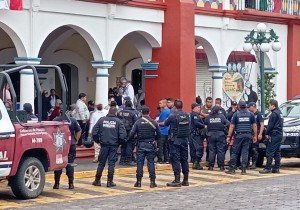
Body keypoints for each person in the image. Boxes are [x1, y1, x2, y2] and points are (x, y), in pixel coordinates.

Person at [92, 107, 127, 187]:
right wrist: (119, 143)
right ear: (116, 113)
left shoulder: (101, 120)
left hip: (104, 145)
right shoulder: (119, 122)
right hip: (114, 145)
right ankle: (109, 181)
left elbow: (94, 132)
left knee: (101, 163)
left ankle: (97, 180)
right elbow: (123, 135)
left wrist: (98, 141)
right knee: (111, 163)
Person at [128, 106, 161, 188]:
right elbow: (159, 135)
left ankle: (138, 182)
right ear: (149, 112)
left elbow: (131, 134)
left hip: (141, 144)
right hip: (150, 144)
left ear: (141, 113)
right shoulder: (154, 122)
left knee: (140, 163)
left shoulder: (138, 122)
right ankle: (152, 182)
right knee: (151, 163)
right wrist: (154, 139)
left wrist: (131, 139)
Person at [226, 101, 257, 175]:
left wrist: (229, 136)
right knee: (245, 152)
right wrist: (255, 135)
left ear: (239, 106)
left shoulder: (236, 114)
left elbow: (232, 126)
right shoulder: (251, 114)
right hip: (248, 135)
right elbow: (254, 126)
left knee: (235, 152)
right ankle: (243, 169)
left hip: (239, 135)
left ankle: (232, 169)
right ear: (246, 106)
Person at [53, 112, 82, 190]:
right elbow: (79, 131)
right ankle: (71, 184)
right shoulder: (72, 120)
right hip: (70, 144)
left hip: (59, 144)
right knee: (70, 163)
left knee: (59, 163)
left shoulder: (55, 120)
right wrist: (76, 140)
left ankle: (56, 184)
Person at [164, 100, 190, 187]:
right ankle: (186, 180)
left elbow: (165, 123)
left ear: (175, 106)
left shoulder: (173, 116)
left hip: (175, 140)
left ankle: (177, 180)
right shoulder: (187, 115)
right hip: (185, 140)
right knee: (184, 160)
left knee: (176, 160)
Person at [259, 99, 283, 174]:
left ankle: (268, 168)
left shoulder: (274, 114)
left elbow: (270, 125)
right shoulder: (280, 113)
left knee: (270, 151)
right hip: (279, 134)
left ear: (273, 105)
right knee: (277, 151)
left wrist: (266, 133)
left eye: (269, 105)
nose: (268, 107)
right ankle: (276, 168)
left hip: (274, 134)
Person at [205, 106, 230, 171]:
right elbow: (228, 123)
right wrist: (223, 127)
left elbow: (205, 123)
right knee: (220, 151)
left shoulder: (209, 117)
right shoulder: (221, 116)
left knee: (211, 151)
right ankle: (221, 166)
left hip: (211, 135)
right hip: (220, 135)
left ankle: (211, 166)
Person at [118, 100, 138, 166]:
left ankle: (122, 160)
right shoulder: (133, 113)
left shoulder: (120, 112)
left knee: (123, 146)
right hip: (130, 131)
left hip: (121, 132)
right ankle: (128, 160)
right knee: (129, 146)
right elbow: (136, 123)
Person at [247, 102, 264, 169]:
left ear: (253, 106)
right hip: (250, 134)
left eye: (249, 107)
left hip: (256, 134)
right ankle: (247, 163)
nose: (248, 108)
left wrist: (260, 134)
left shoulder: (259, 114)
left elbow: (262, 124)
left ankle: (254, 164)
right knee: (248, 149)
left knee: (255, 149)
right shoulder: (250, 114)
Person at [189, 103, 205, 170]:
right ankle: (196, 163)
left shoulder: (192, 114)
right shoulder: (195, 115)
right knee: (199, 148)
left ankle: (194, 161)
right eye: (198, 107)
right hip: (195, 134)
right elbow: (196, 123)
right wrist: (204, 125)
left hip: (192, 134)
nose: (200, 109)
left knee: (193, 149)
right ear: (194, 108)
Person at [157, 99, 171, 164]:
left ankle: (160, 159)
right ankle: (166, 159)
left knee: (160, 146)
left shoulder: (164, 112)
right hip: (167, 131)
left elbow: (162, 122)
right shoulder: (169, 111)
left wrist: (157, 123)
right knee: (165, 146)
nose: (159, 104)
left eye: (160, 103)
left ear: (165, 104)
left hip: (162, 131)